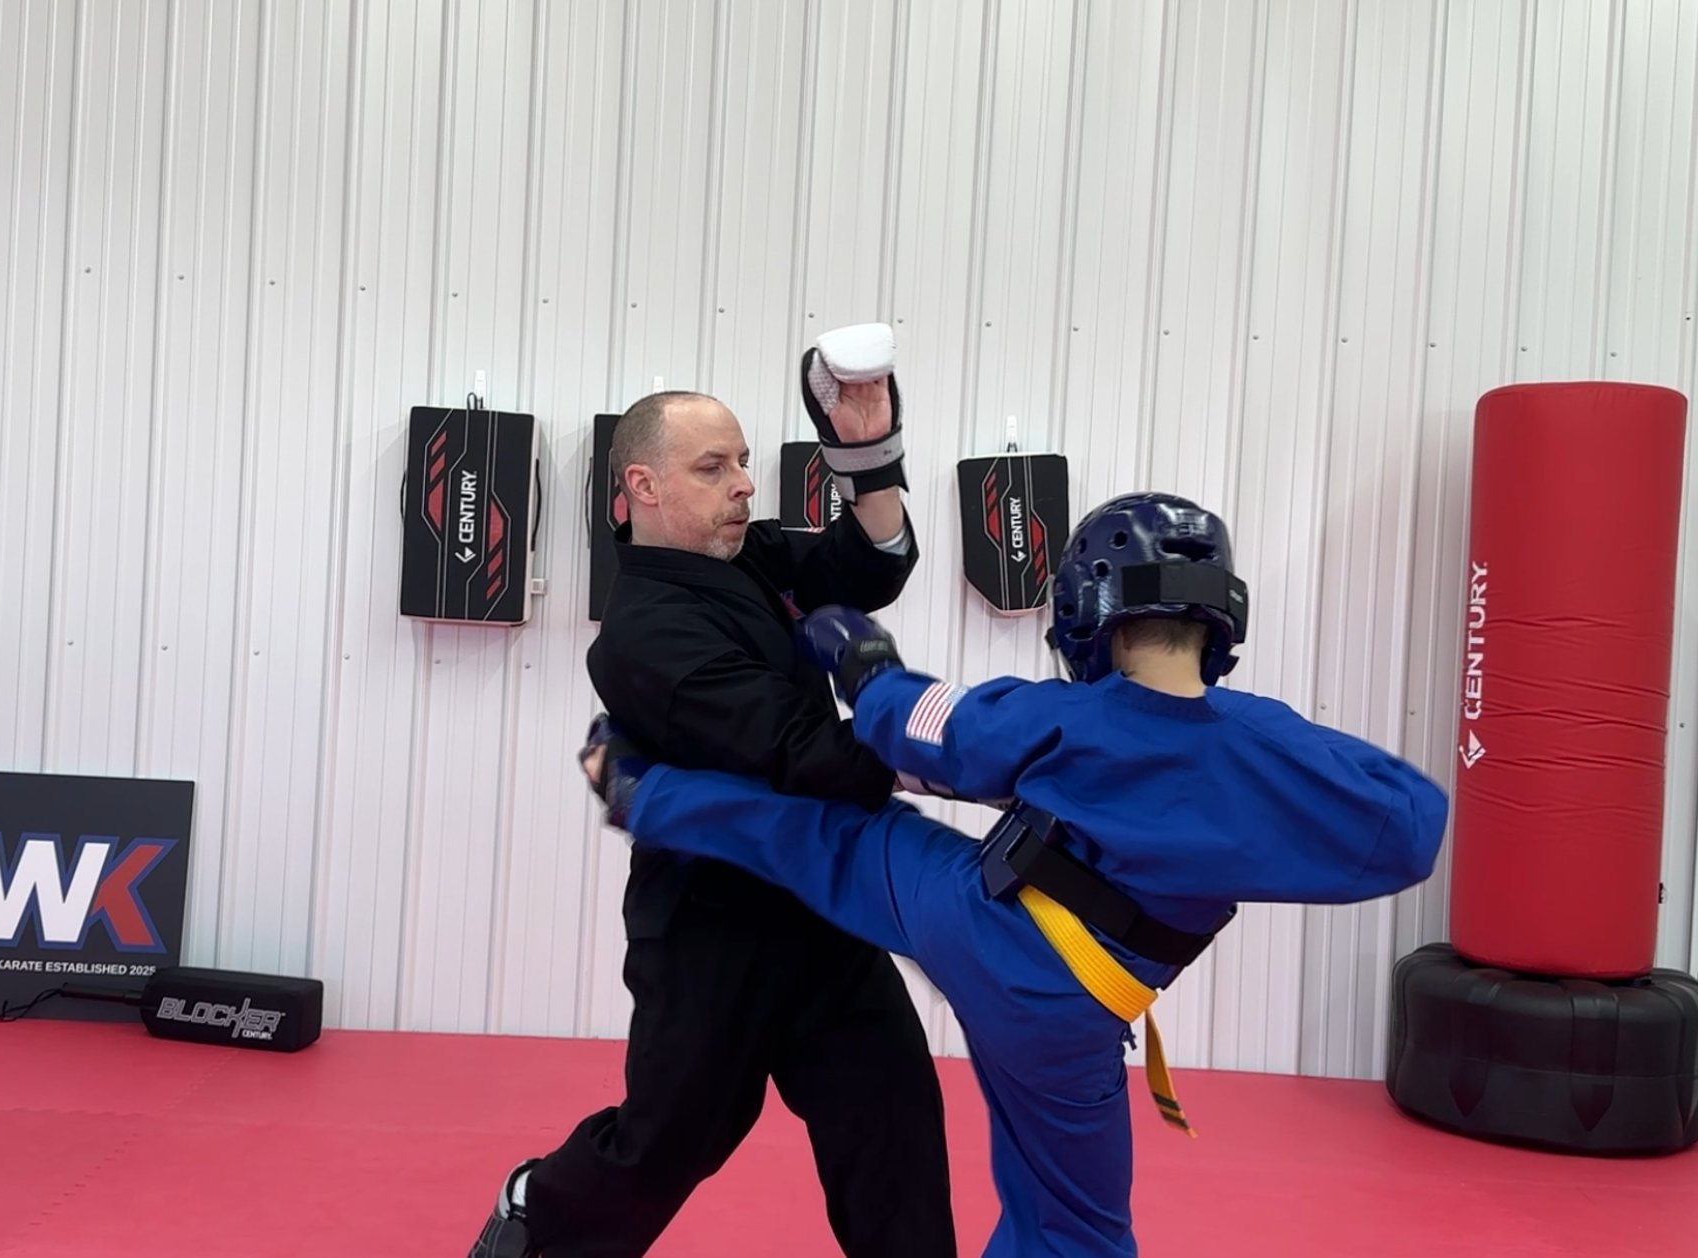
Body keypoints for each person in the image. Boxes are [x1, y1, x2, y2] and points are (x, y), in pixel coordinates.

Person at [575, 491, 1452, 1257]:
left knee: (828, 838)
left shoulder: (1063, 722)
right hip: (1086, 1012)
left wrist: (862, 661)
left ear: (1087, 608)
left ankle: (639, 790)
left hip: (988, 931)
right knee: (1078, 1226)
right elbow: (1410, 824)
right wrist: (1257, 811)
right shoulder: (1263, 742)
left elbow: (916, 732)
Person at [469, 326, 957, 1257]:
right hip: (709, 927)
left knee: (892, 1121)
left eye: (741, 461)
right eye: (712, 467)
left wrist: (866, 445)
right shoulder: (641, 634)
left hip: (823, 909)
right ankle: (540, 1207)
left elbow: (873, 565)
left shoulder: (754, 558)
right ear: (643, 487)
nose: (743, 482)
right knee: (670, 1145)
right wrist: (977, 752)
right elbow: (798, 749)